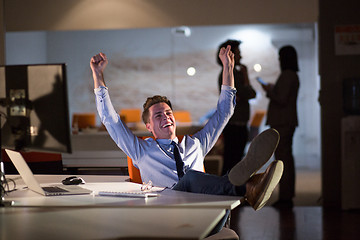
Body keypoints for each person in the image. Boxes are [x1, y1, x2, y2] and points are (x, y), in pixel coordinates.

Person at [90, 46, 283, 212]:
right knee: (190, 178)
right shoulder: (142, 150)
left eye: (168, 113)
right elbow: (110, 120)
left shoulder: (196, 143)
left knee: (200, 182)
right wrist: (98, 75)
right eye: (158, 115)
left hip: (206, 209)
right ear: (149, 127)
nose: (166, 117)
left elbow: (224, 111)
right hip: (167, 210)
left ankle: (248, 185)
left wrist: (228, 68)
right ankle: (248, 187)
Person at [259, 45, 300, 208]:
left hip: (282, 122)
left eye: (280, 57)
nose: (279, 60)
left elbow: (281, 99)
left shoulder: (287, 75)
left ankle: (285, 197)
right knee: (286, 159)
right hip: (287, 121)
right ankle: (287, 195)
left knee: (283, 161)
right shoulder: (293, 75)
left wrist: (269, 91)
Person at [217, 40, 256, 175]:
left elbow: (251, 94)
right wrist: (245, 79)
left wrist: (245, 79)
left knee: (237, 160)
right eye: (238, 53)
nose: (241, 57)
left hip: (240, 123)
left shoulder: (237, 74)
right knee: (231, 161)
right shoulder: (228, 74)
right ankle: (225, 191)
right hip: (233, 124)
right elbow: (243, 94)